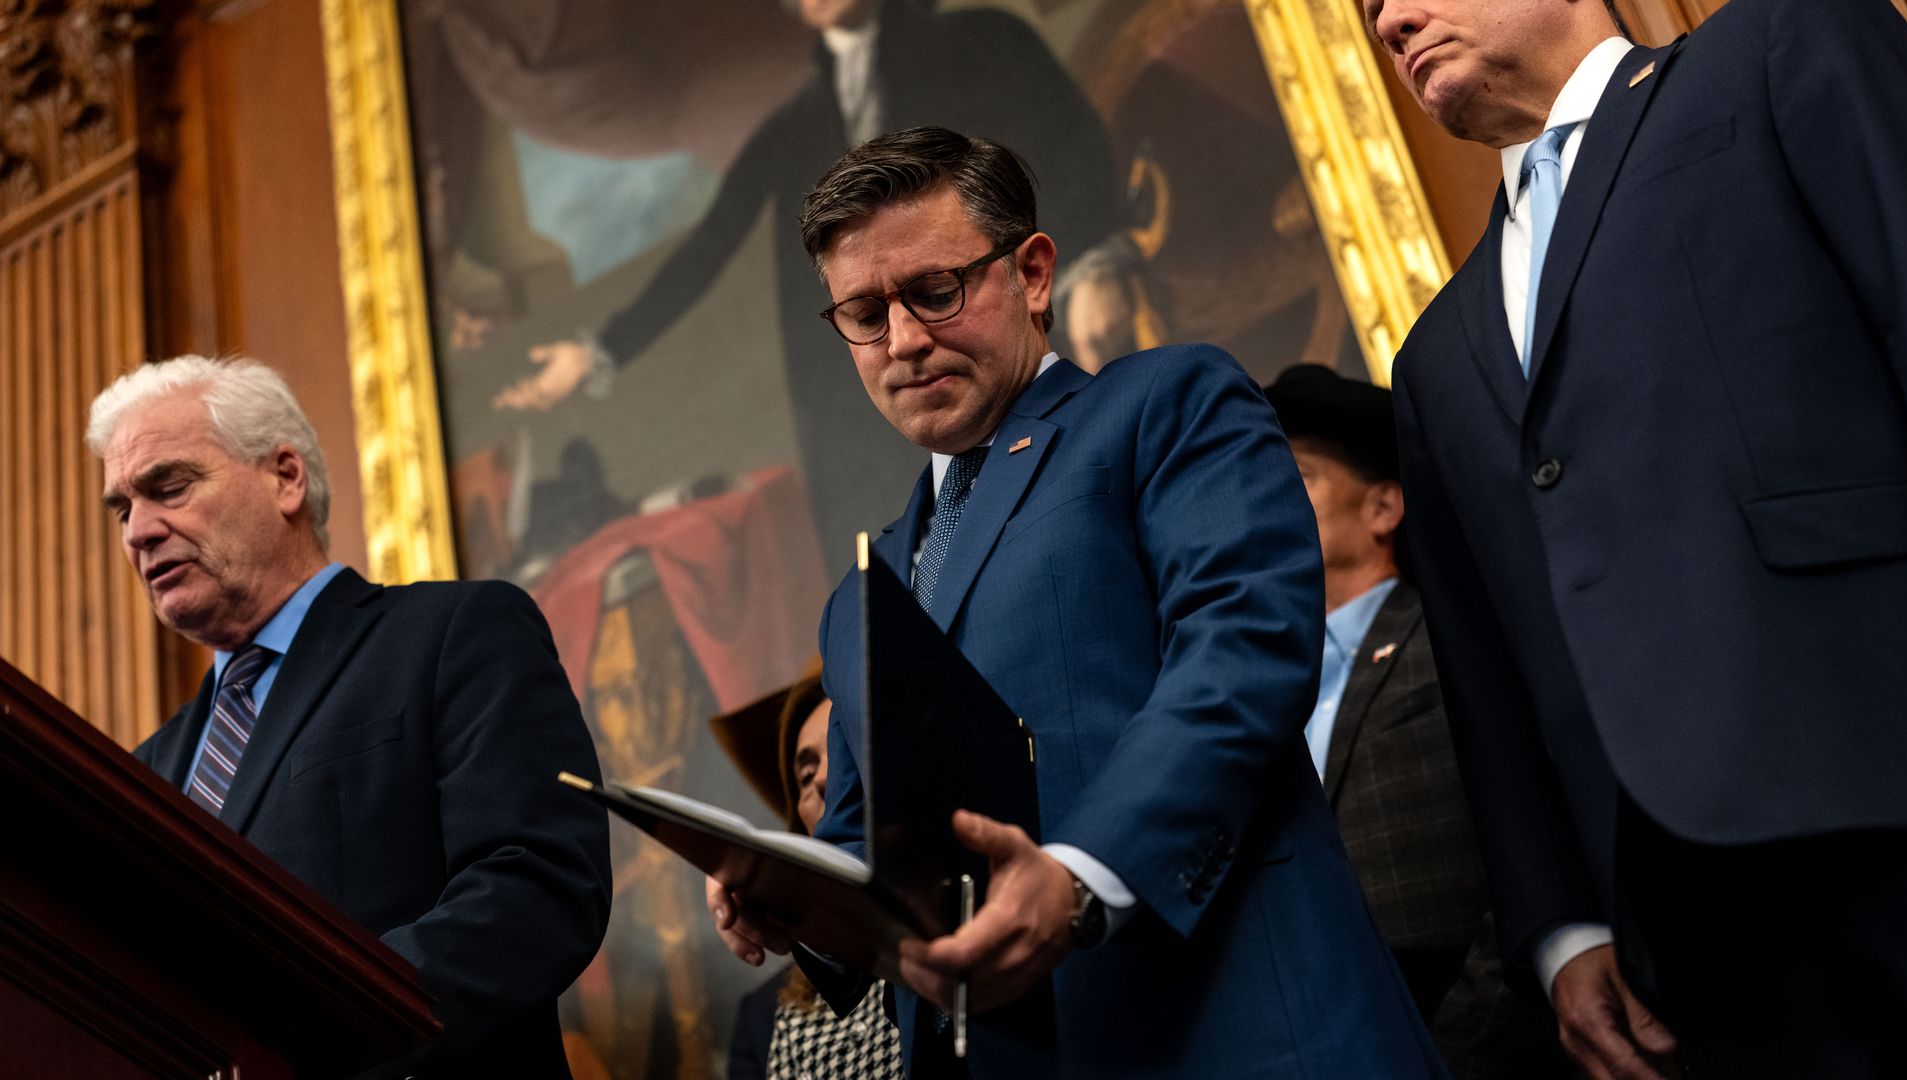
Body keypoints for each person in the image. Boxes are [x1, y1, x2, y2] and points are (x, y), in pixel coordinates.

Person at [707, 125, 1443, 1078]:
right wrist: (798, 899)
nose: (904, 340)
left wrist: (1079, 877)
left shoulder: (1166, 404)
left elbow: (1242, 652)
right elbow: (867, 840)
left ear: (1034, 273)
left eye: (935, 292)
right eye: (862, 312)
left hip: (1240, 1029)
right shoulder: (859, 597)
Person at [1369, 0, 1907, 1076]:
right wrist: (1562, 926)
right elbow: (1487, 678)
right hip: (1677, 926)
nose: (1390, 17)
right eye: (1371, 7)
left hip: (1881, 778)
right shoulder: (1434, 357)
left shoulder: (1775, 51)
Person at [87, 356, 614, 1078]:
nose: (139, 531)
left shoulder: (452, 634)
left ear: (285, 477)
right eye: (122, 509)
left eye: (168, 488)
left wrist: (309, 1045)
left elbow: (538, 887)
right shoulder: (147, 769)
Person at [496, 0, 1133, 564]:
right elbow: (708, 247)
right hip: (860, 413)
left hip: (1010, 352)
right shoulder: (794, 124)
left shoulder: (983, 41)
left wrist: (1096, 267)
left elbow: (1072, 155)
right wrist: (599, 349)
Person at [1267, 364, 1566, 1079]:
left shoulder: (1452, 639)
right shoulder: (1260, 686)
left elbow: (1532, 850)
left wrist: (1452, 1056)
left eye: (1299, 478)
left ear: (1383, 508)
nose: (1268, 504)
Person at [711, 662, 905, 1080]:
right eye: (803, 773)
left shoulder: (983, 921)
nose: (820, 779)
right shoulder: (765, 1019)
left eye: (843, 751)